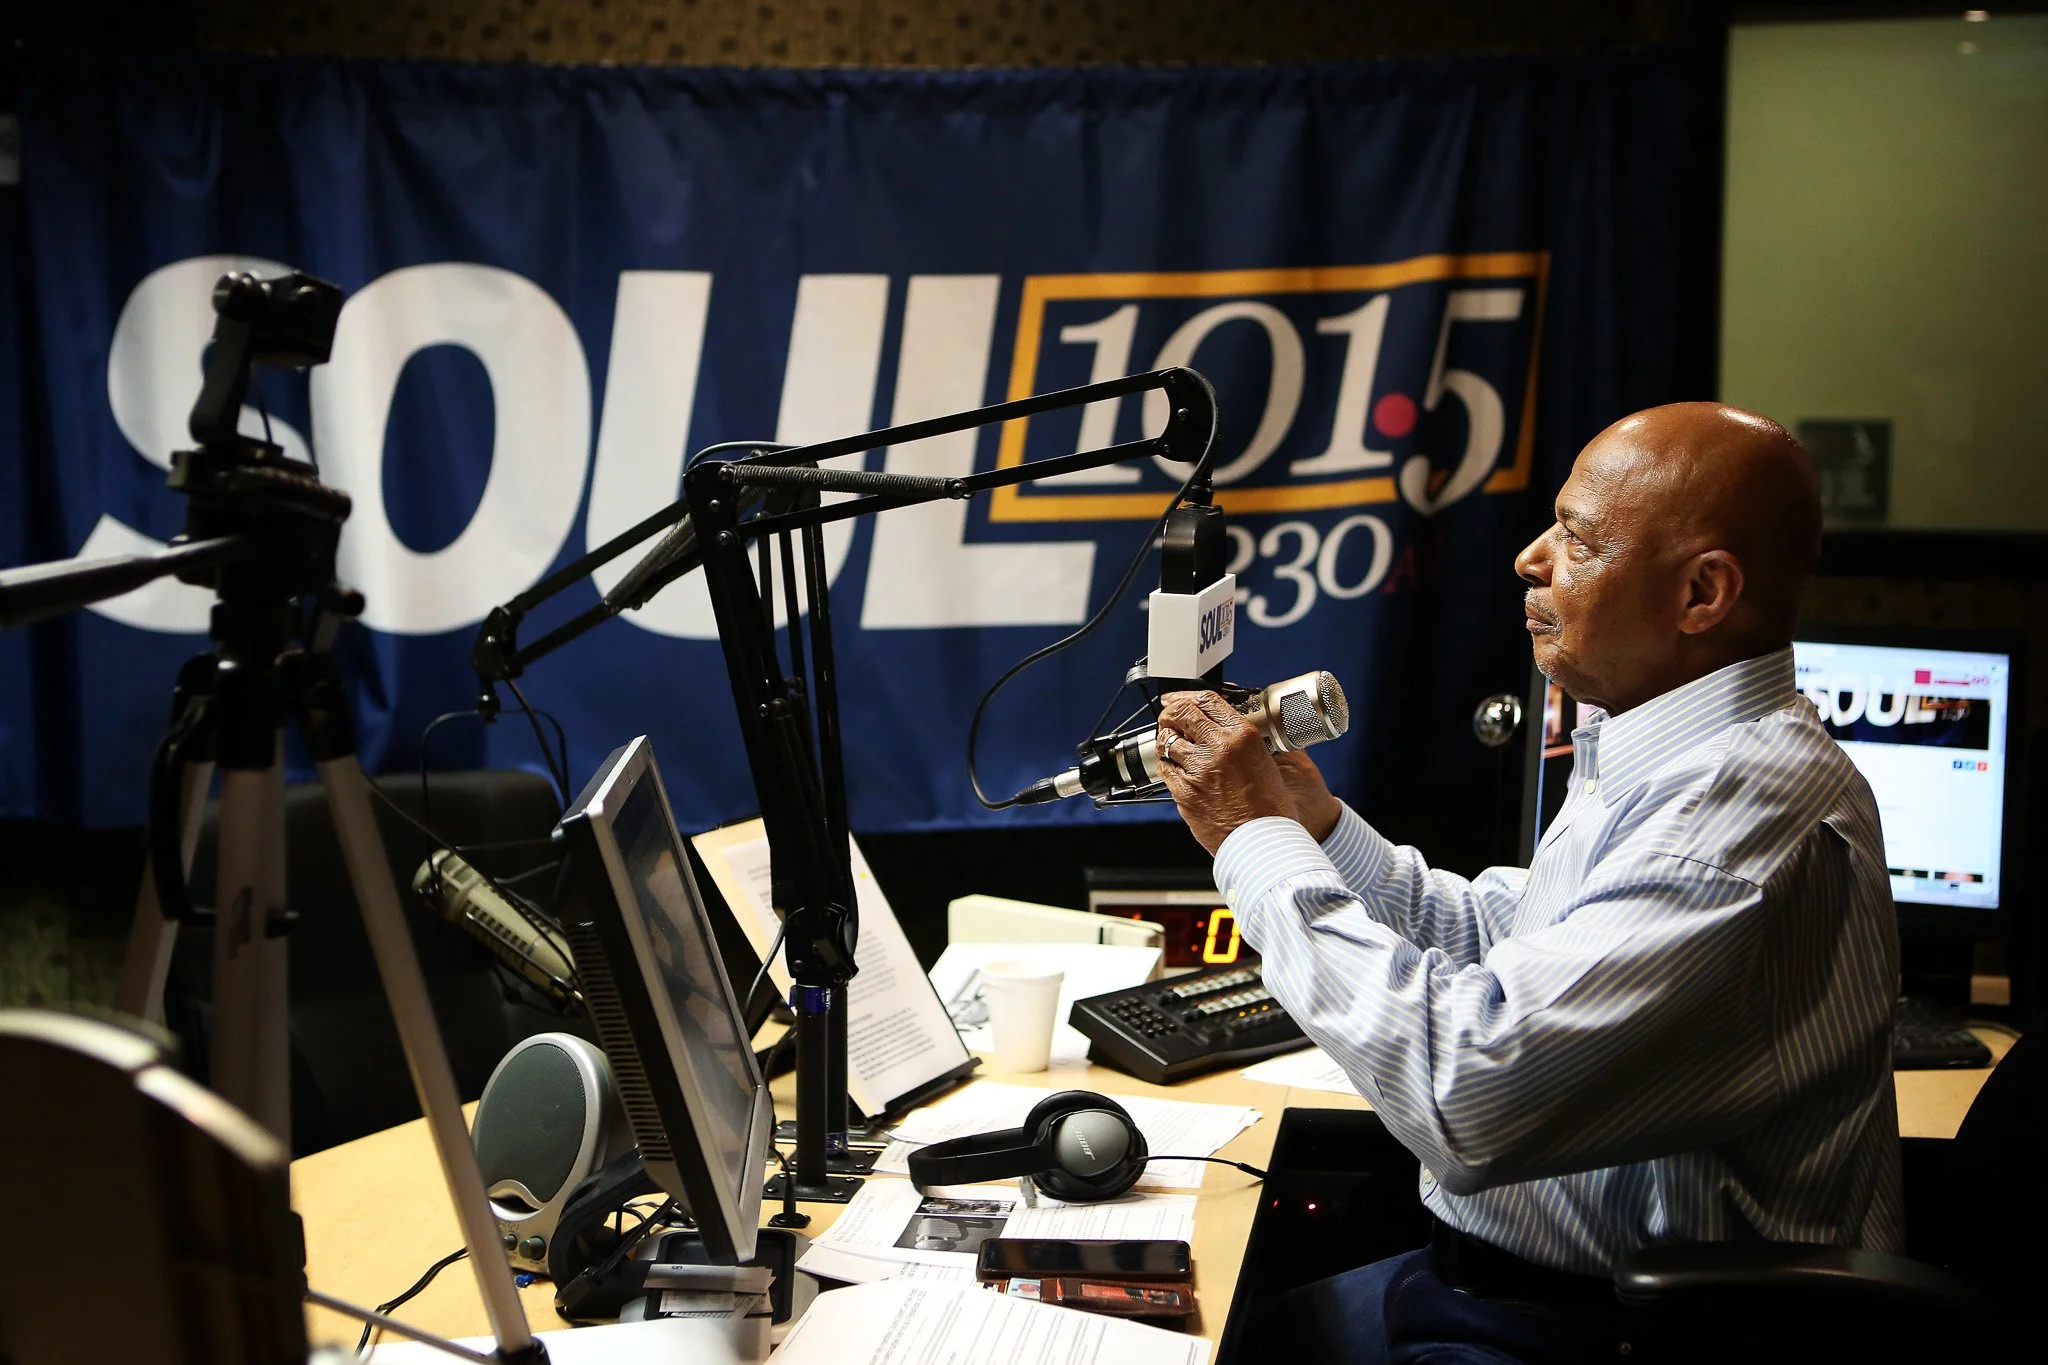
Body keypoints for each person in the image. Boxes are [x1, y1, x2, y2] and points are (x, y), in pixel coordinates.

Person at [1156, 403, 1899, 1363]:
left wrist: (1254, 839)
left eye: (1579, 539)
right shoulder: (1675, 747)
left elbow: (1465, 1097)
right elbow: (1510, 941)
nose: (1531, 557)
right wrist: (1319, 831)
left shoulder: (1731, 819)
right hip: (1507, 1292)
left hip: (1604, 1332)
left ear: (1702, 592)